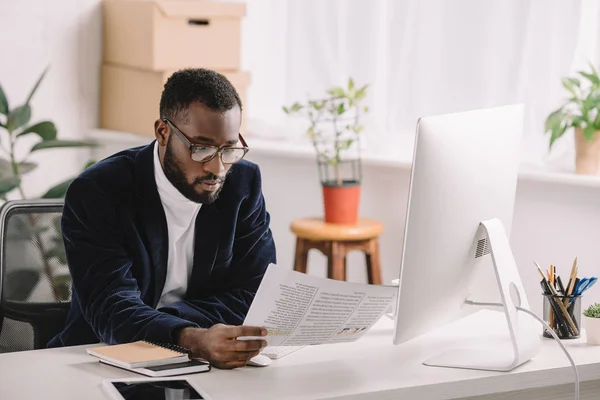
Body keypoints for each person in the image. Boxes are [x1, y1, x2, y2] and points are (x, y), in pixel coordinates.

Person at [47, 68, 277, 369]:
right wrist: (193, 338)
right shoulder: (99, 191)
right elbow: (112, 309)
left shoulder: (243, 184)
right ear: (163, 132)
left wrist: (171, 327)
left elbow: (257, 293)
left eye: (230, 148)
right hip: (100, 357)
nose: (218, 168)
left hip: (208, 362)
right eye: (203, 148)